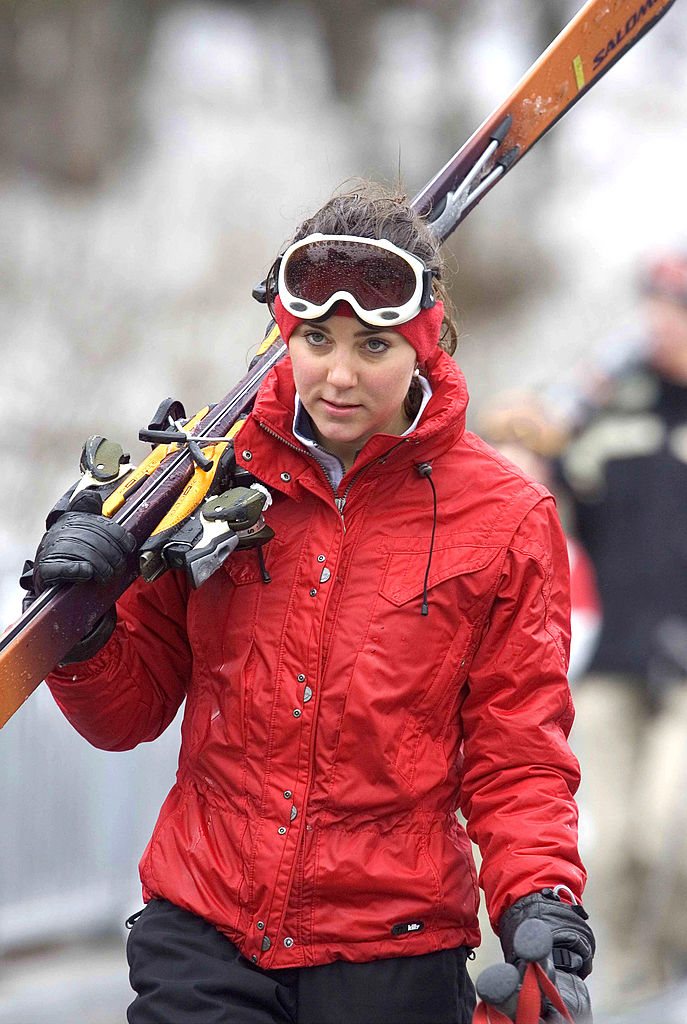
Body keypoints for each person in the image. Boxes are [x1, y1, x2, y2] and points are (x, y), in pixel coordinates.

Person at [25, 184, 594, 1024]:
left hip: (392, 948)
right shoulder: (204, 482)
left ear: (425, 348)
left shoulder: (505, 520)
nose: (338, 374)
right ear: (282, 337)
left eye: (373, 346)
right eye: (316, 340)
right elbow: (127, 712)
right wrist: (82, 630)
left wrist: (539, 899)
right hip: (206, 926)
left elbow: (516, 751)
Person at [558, 251, 687, 997]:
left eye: (676, 308)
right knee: (610, 848)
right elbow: (534, 491)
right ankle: (634, 982)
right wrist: (546, 420)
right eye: (656, 306)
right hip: (613, 662)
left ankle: (671, 963)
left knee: (665, 826)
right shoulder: (608, 410)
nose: (660, 323)